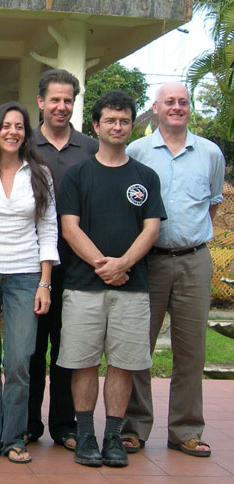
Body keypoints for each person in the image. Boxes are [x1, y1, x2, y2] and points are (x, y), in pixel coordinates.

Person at [57, 90, 166, 468]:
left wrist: (124, 265)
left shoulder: (145, 176)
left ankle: (113, 436)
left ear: (130, 125)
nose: (117, 127)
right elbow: (69, 228)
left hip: (132, 288)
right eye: (110, 121)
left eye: (123, 121)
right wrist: (105, 265)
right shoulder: (78, 175)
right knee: (84, 362)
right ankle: (85, 433)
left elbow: (151, 229)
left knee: (123, 364)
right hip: (83, 286)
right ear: (96, 126)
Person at [122, 83, 225, 458]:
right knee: (137, 347)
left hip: (194, 261)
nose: (177, 107)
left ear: (189, 108)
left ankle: (185, 430)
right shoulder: (137, 151)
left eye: (183, 102)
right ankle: (133, 427)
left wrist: (189, 237)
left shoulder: (210, 153)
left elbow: (212, 204)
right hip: (148, 261)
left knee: (191, 351)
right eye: (170, 102)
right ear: (156, 108)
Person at [0, 102, 57, 464]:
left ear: (26, 133)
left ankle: (14, 437)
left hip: (25, 275)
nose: (13, 132)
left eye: (19, 126)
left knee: (19, 360)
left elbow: (48, 228)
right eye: (6, 125)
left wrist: (45, 282)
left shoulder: (39, 173)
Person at [27, 69, 98, 451]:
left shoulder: (89, 148)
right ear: (40, 101)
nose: (61, 106)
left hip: (77, 266)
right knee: (31, 348)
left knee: (69, 348)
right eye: (54, 99)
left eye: (68, 100)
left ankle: (65, 425)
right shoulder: (23, 144)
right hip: (32, 266)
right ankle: (27, 422)